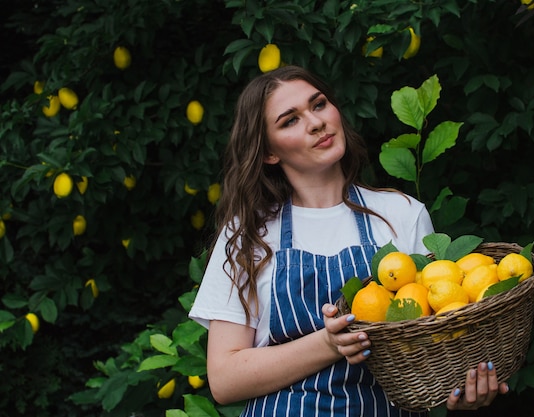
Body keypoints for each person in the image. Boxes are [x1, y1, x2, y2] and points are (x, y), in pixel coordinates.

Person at [188, 65, 508, 416]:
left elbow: (436, 337)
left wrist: (459, 389)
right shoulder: (249, 234)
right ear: (269, 153)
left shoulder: (401, 213)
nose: (315, 122)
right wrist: (328, 343)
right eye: (290, 120)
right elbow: (224, 380)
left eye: (319, 104)